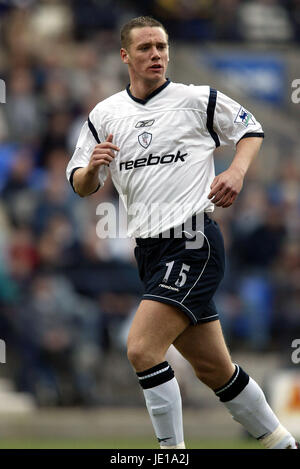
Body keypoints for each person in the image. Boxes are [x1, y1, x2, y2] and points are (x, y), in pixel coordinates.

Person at [66, 16, 298, 449]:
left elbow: (250, 128)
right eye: (145, 48)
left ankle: (170, 454)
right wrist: (94, 166)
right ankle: (283, 444)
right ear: (125, 56)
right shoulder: (105, 115)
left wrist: (237, 172)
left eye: (161, 46)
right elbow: (81, 184)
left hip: (193, 241)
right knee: (216, 371)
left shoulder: (196, 99)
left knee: (141, 348)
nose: (156, 54)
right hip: (150, 252)